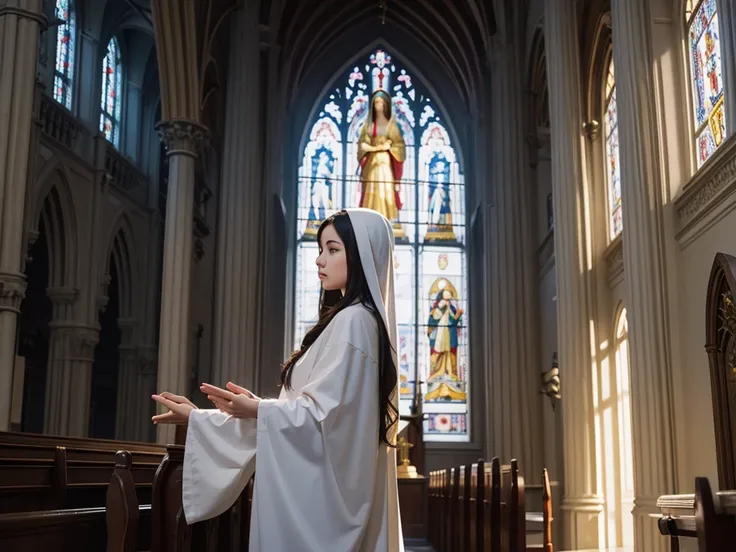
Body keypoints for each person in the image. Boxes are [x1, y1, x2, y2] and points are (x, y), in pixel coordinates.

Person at [151, 208, 404, 552]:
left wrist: (258, 409)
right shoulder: (352, 319)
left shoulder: (355, 322)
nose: (319, 260)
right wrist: (207, 415)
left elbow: (324, 423)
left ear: (362, 254)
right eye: (320, 249)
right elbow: (315, 416)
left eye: (332, 249)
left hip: (328, 508)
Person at [357, 90, 406, 238]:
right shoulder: (368, 126)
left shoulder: (392, 126)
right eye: (376, 102)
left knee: (385, 190)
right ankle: (370, 219)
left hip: (385, 164)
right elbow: (362, 146)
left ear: (386, 105)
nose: (379, 105)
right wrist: (377, 148)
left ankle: (387, 220)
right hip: (372, 164)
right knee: (372, 188)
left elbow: (399, 146)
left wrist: (389, 147)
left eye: (381, 102)